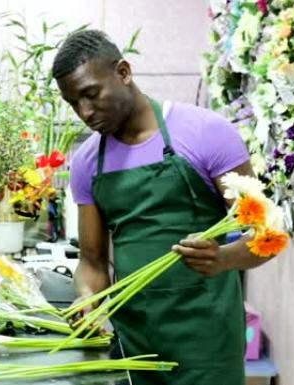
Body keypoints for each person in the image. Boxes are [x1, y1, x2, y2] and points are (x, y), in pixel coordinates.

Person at [52, 29, 276, 385]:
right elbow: (92, 262)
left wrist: (224, 258)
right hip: (135, 342)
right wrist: (86, 297)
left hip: (207, 341)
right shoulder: (87, 162)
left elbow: (269, 237)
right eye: (73, 103)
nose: (85, 112)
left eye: (91, 95)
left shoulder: (206, 133)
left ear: (123, 72)